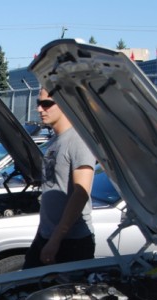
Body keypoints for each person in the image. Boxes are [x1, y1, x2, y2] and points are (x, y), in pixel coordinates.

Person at [23, 88, 97, 269]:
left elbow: (81, 192)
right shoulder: (55, 141)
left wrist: (56, 239)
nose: (40, 109)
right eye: (38, 104)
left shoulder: (78, 140)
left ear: (65, 104)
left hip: (72, 242)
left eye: (46, 104)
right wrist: (43, 233)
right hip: (46, 235)